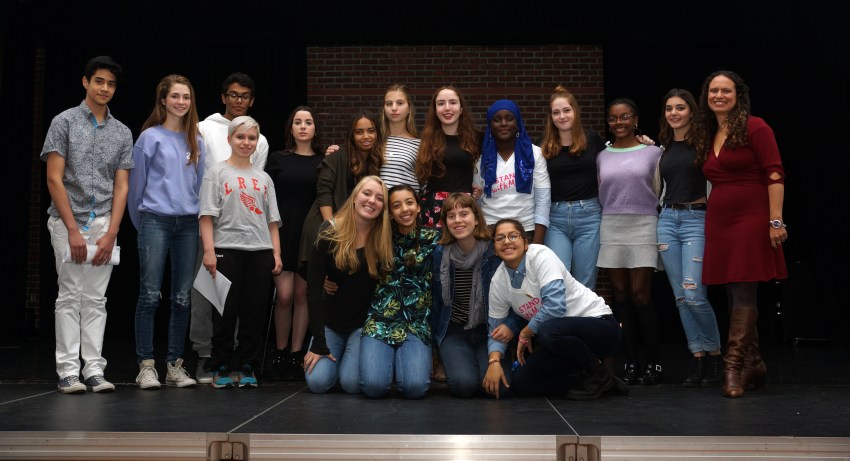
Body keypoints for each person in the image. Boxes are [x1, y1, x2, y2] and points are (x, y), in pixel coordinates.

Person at [691, 70, 788, 398]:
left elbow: (774, 173)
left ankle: (733, 367)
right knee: (732, 292)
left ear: (738, 95)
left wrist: (776, 222)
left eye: (726, 90)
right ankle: (754, 362)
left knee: (745, 292)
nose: (719, 95)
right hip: (720, 218)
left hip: (752, 214)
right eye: (713, 90)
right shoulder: (708, 130)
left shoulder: (755, 126)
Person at [42, 56, 134, 394]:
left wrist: (112, 232)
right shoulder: (64, 122)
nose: (105, 88)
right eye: (99, 81)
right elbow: (54, 178)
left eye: (110, 84)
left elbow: (122, 185)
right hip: (68, 221)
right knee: (69, 296)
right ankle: (68, 371)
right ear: (86, 82)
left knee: (96, 299)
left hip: (104, 224)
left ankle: (94, 370)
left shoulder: (122, 131)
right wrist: (71, 229)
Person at [482, 219, 624, 400]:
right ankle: (598, 380)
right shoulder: (498, 281)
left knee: (547, 330)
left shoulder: (541, 256)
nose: (507, 242)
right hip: (562, 343)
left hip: (600, 327)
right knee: (522, 383)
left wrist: (525, 333)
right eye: (500, 238)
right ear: (494, 248)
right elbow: (495, 328)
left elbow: (555, 307)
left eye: (513, 236)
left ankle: (598, 372)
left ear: (525, 243)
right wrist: (494, 361)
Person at [191, 72, 270, 383]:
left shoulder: (259, 138)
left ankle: (237, 358)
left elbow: (254, 182)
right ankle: (205, 355)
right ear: (223, 97)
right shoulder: (203, 128)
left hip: (245, 230)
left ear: (251, 100)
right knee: (208, 296)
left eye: (245, 96)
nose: (239, 101)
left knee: (243, 300)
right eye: (234, 95)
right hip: (210, 225)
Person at [129, 74, 205, 390]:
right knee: (149, 295)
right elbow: (136, 188)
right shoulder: (149, 138)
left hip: (188, 225)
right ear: (163, 100)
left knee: (182, 297)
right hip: (155, 221)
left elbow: (200, 186)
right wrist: (143, 224)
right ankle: (146, 365)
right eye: (175, 96)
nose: (181, 102)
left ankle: (175, 365)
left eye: (186, 97)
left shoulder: (196, 141)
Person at [198, 116, 282, 389]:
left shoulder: (264, 178)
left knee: (253, 311)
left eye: (251, 138)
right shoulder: (217, 173)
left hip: (260, 252)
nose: (246, 143)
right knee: (224, 311)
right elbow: (206, 216)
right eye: (240, 137)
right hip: (226, 250)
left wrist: (277, 254)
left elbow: (272, 221)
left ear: (257, 142)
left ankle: (247, 365)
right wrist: (209, 251)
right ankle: (221, 364)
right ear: (230, 139)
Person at [655, 89, 722, 387]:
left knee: (694, 294)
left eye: (680, 108)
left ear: (691, 112)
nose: (674, 113)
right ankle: (697, 358)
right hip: (667, 220)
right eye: (669, 108)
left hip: (696, 219)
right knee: (681, 298)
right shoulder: (663, 148)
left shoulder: (706, 144)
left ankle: (715, 355)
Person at [303, 175, 394, 394]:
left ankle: (346, 362)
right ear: (354, 197)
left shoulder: (383, 236)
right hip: (330, 323)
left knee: (352, 384)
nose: (372, 201)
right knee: (317, 382)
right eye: (367, 193)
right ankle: (337, 359)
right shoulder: (328, 232)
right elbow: (313, 290)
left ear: (383, 207)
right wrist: (318, 342)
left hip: (362, 325)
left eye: (379, 198)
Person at [596, 98, 664, 385]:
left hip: (644, 224)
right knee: (620, 297)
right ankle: (631, 363)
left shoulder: (654, 152)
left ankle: (653, 364)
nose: (619, 123)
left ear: (635, 119)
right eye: (613, 118)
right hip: (611, 225)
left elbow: (660, 189)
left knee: (641, 295)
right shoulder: (602, 155)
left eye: (624, 117)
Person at [359, 185, 441, 399]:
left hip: (416, 322)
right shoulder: (378, 238)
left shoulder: (435, 239)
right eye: (397, 205)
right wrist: (328, 279)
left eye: (409, 202)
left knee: (415, 389)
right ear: (390, 212)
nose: (404, 209)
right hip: (380, 319)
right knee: (373, 388)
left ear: (418, 206)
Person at [263, 106, 325, 381]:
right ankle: (279, 350)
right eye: (297, 122)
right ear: (290, 128)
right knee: (284, 296)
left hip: (309, 235)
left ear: (314, 128)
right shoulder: (277, 159)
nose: (302, 126)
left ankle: (297, 353)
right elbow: (266, 199)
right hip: (282, 232)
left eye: (308, 122)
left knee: (302, 296)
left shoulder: (324, 162)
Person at [430, 193, 505, 397]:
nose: (458, 220)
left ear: (476, 218)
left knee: (496, 387)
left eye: (464, 214)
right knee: (464, 385)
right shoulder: (441, 253)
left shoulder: (493, 251)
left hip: (487, 331)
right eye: (451, 216)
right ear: (445, 222)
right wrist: (434, 346)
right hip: (453, 331)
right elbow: (437, 302)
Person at [297, 110, 384, 274]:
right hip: (325, 228)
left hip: (347, 233)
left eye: (371, 131)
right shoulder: (337, 156)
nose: (366, 136)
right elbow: (324, 192)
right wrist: (330, 229)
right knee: (318, 286)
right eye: (359, 132)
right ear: (352, 135)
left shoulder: (374, 163)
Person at [540, 86, 607, 290]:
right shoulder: (543, 146)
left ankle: (581, 323)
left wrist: (643, 142)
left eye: (566, 110)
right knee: (557, 278)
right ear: (551, 117)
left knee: (584, 282)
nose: (562, 116)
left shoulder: (592, 139)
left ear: (575, 111)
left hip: (589, 216)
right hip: (556, 218)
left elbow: (616, 160)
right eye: (556, 112)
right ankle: (563, 322)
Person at [476, 99, 550, 244]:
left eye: (509, 119)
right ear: (490, 126)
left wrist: (537, 244)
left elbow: (543, 200)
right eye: (497, 120)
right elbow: (477, 200)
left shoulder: (535, 154)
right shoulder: (480, 158)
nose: (503, 123)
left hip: (525, 231)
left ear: (518, 124)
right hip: (490, 232)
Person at [415, 86, 482, 230]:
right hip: (435, 209)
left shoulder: (476, 139)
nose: (447, 108)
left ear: (461, 108)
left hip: (464, 207)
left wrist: (479, 188)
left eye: (452, 102)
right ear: (435, 110)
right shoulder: (426, 141)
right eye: (441, 103)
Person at [379, 84, 421, 189]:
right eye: (389, 104)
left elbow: (425, 184)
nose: (394, 108)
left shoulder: (419, 145)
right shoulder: (374, 140)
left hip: (406, 203)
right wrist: (335, 153)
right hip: (376, 203)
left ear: (409, 108)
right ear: (384, 108)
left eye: (400, 103)